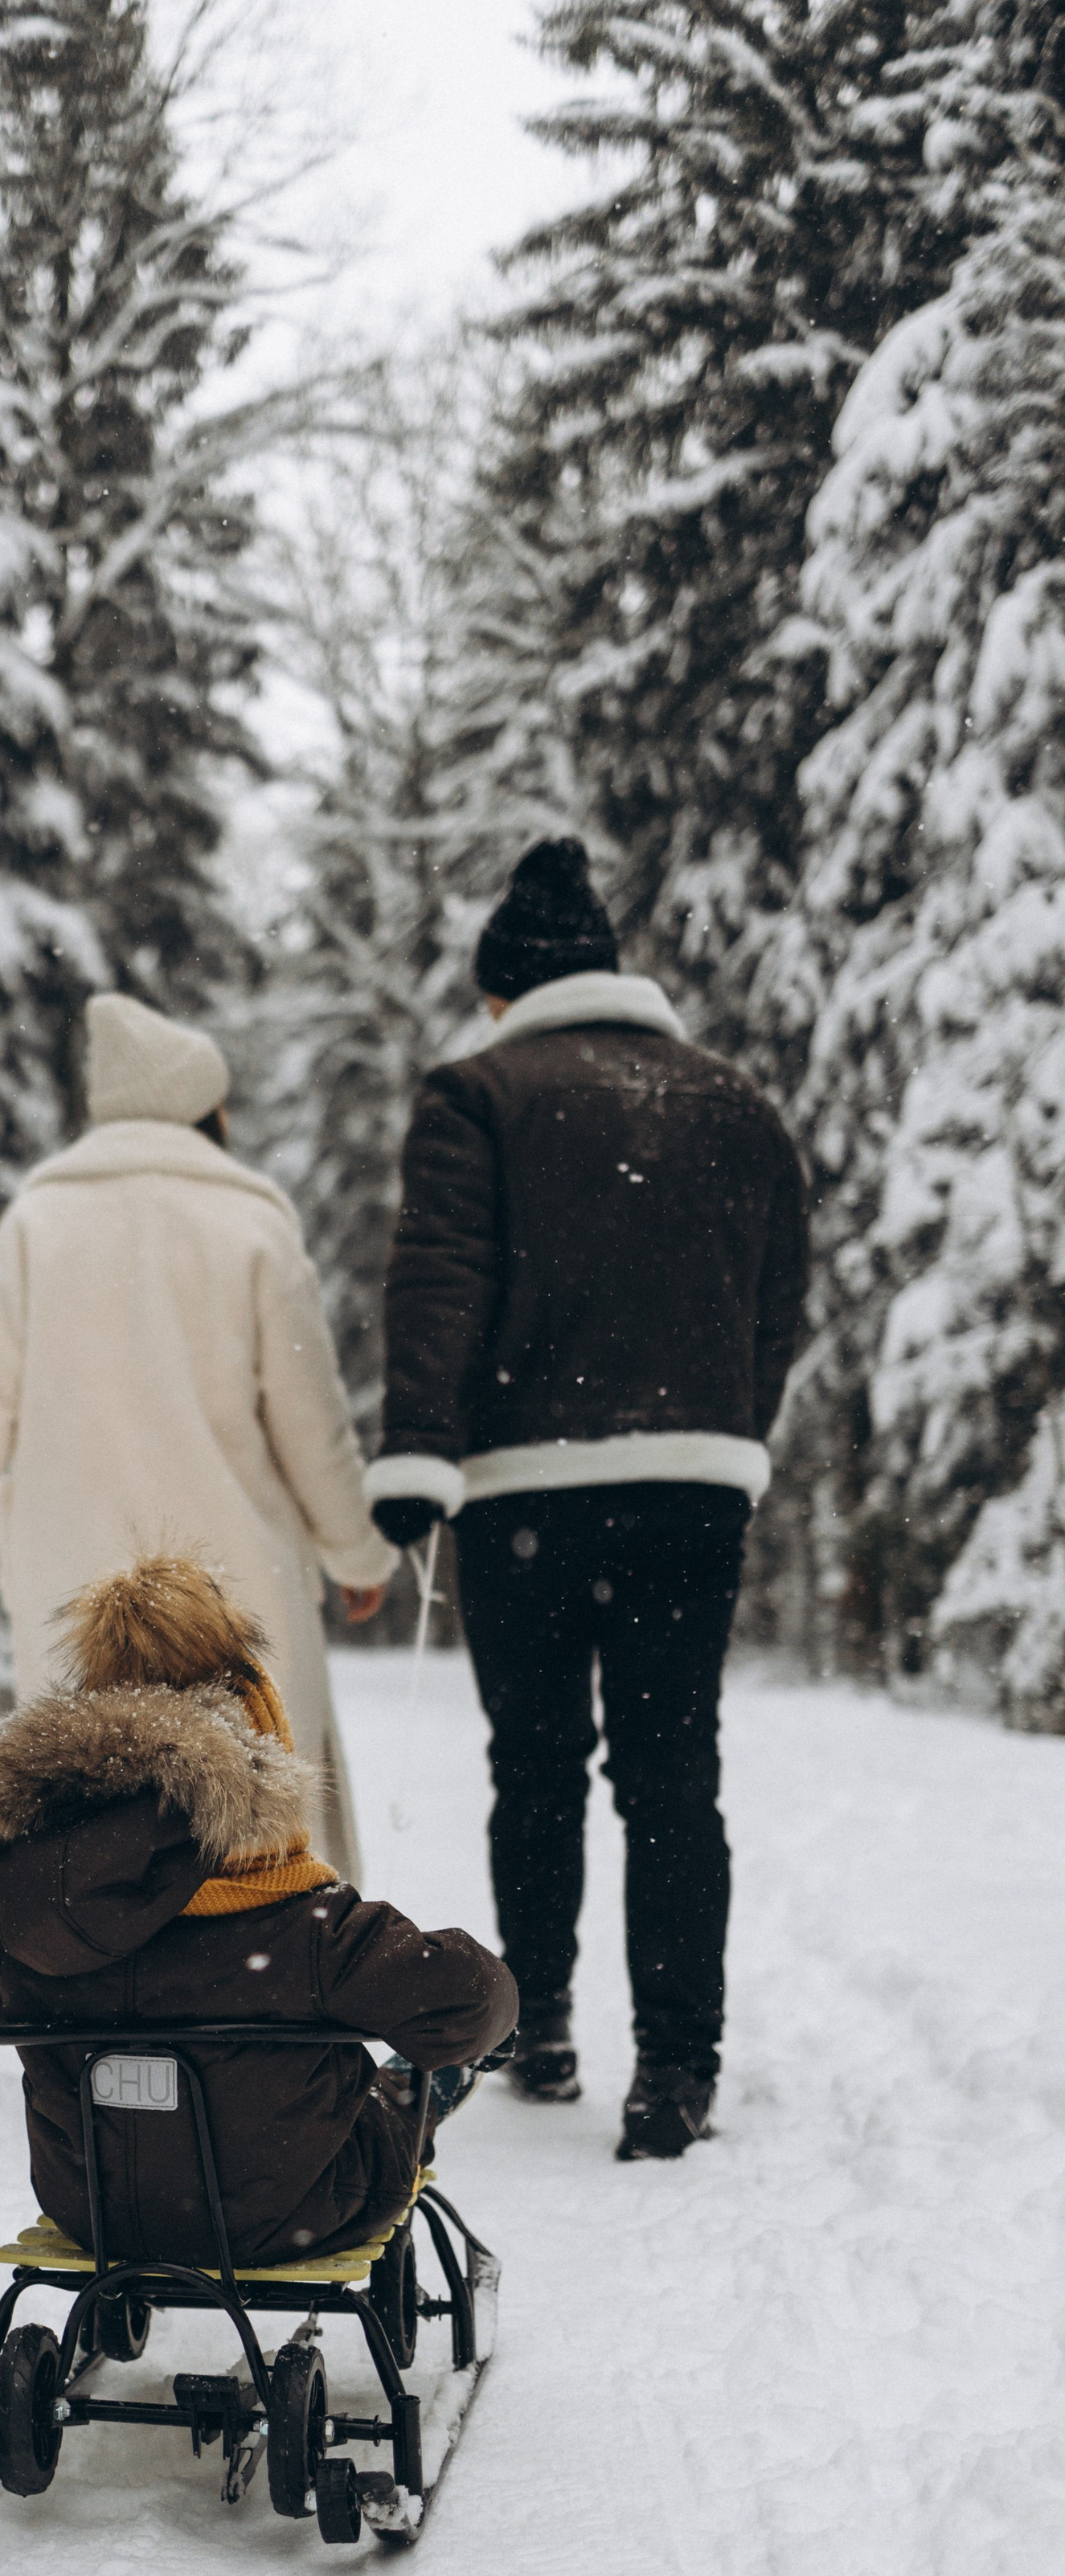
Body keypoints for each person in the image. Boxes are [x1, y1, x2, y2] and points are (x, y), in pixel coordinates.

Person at [363, 836, 809, 2161]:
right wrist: (729, 1426)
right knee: (673, 1775)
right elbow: (776, 1299)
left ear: (504, 990)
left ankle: (540, 2027)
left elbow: (439, 1275)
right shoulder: (734, 1104)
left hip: (525, 1493)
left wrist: (419, 1450)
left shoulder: (478, 1092)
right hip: (690, 1488)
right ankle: (674, 2071)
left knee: (538, 1765)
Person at [0, 991, 394, 1883]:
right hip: (232, 1597)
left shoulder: (37, 1224)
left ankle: (103, 1961)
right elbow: (312, 1422)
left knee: (96, 1832)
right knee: (258, 1826)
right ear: (203, 1108)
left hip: (80, 1608)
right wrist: (356, 1553)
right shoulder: (251, 1222)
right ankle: (277, 1956)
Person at [0, 1556, 516, 2264]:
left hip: (95, 2210)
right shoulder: (313, 1931)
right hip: (300, 2211)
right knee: (411, 2080)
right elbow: (467, 2004)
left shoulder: (27, 1926)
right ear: (260, 1763)